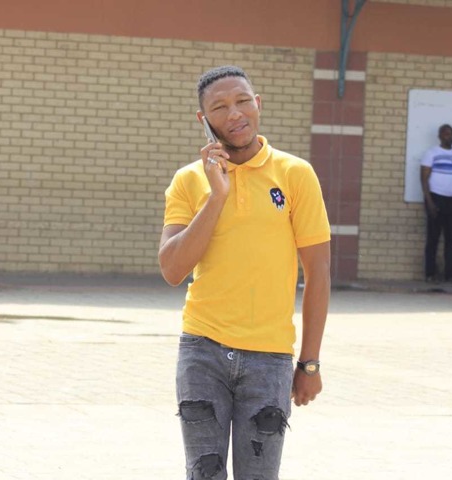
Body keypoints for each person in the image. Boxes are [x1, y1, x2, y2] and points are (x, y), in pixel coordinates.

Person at [158, 65, 331, 480]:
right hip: (202, 352)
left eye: (242, 101)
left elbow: (319, 272)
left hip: (269, 358)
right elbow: (172, 269)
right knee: (204, 474)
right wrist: (216, 195)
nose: (234, 113)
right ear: (203, 120)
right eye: (219, 107)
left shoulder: (295, 174)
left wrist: (309, 363)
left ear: (258, 104)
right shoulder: (188, 181)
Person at [420, 124, 452, 283]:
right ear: (440, 136)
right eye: (446, 134)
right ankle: (430, 274)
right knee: (433, 238)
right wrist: (429, 202)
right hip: (436, 199)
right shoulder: (431, 153)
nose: (449, 136)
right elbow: (423, 179)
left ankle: (450, 274)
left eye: (451, 134)